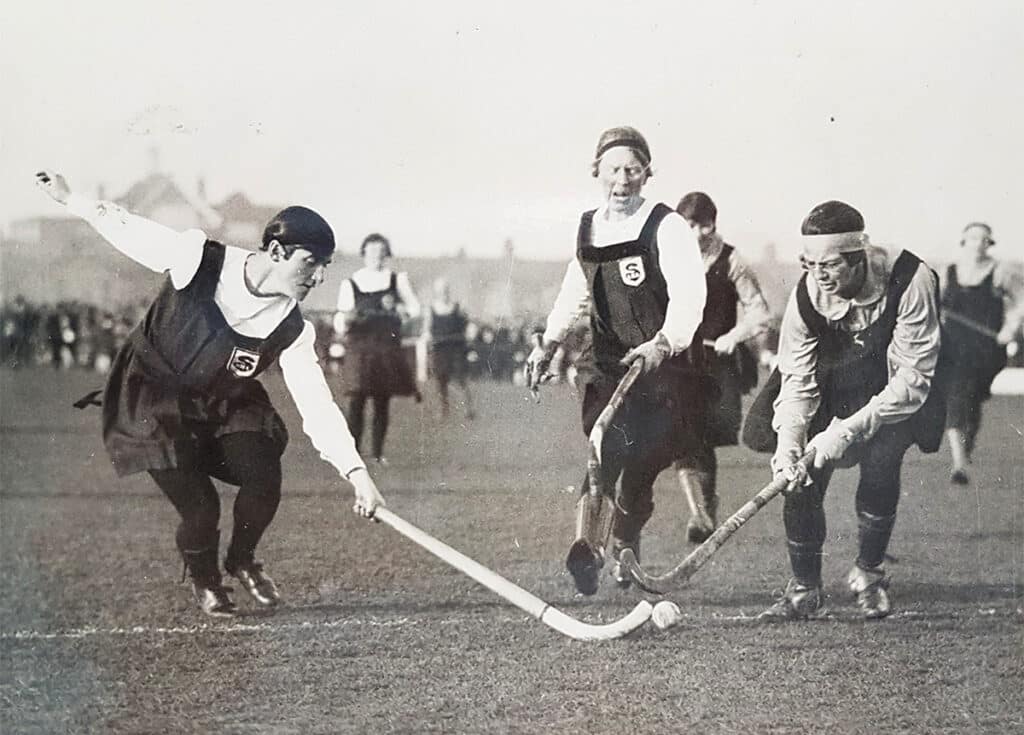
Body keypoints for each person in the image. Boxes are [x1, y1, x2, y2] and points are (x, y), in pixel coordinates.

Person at [34, 170, 385, 619]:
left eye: (324, 267)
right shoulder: (199, 259)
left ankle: (242, 558)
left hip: (223, 403)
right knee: (200, 511)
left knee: (263, 473)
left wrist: (357, 473)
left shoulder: (294, 327)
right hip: (153, 399)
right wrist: (72, 198)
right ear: (276, 252)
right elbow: (131, 230)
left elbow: (316, 403)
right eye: (309, 264)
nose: (318, 278)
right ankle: (206, 583)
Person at [526, 126, 709, 595]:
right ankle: (588, 549)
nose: (622, 180)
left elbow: (690, 295)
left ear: (647, 173)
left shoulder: (666, 225)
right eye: (613, 170)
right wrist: (549, 342)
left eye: (632, 169)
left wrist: (664, 343)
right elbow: (575, 290)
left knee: (642, 472)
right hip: (608, 363)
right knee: (604, 451)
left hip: (664, 367)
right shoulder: (588, 226)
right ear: (597, 173)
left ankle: (625, 538)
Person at [756, 200, 943, 621]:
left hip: (893, 385)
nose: (819, 276)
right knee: (799, 477)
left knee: (881, 461)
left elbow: (912, 381)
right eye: (809, 264)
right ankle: (805, 588)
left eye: (831, 266)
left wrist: (845, 431)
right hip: (831, 382)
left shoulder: (910, 278)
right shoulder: (807, 294)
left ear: (859, 259)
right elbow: (798, 381)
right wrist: (788, 444)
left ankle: (869, 575)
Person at [671, 192, 773, 543]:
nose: (698, 233)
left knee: (705, 440)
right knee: (682, 434)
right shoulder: (667, 259)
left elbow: (760, 312)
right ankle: (698, 513)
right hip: (678, 362)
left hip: (718, 365)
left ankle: (707, 505)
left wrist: (736, 333)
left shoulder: (733, 261)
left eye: (704, 225)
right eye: (689, 225)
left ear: (714, 225)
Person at [941, 223, 1023, 484]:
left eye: (984, 239)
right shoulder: (948, 271)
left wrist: (1010, 329)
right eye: (973, 238)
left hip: (986, 350)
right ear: (964, 241)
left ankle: (966, 449)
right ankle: (958, 462)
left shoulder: (1001, 271)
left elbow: (1020, 303)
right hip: (953, 347)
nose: (978, 243)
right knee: (955, 397)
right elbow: (935, 303)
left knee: (972, 400)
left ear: (990, 244)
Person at [333, 233, 421, 464]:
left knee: (382, 401)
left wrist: (403, 312)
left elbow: (415, 309)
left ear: (387, 254)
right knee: (356, 400)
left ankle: (377, 453)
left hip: (385, 347)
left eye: (381, 252)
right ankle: (353, 454)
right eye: (372, 252)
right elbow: (341, 319)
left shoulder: (396, 280)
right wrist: (348, 319)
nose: (377, 256)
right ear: (364, 253)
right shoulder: (351, 282)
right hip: (359, 348)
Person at [421, 277, 475, 419]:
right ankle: (443, 410)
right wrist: (428, 339)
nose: (443, 293)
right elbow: (427, 329)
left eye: (445, 290)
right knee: (440, 380)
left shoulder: (457, 307)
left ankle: (468, 409)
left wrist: (469, 335)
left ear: (448, 291)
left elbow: (468, 324)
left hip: (456, 348)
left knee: (460, 379)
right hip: (439, 348)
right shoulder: (431, 309)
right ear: (436, 292)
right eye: (440, 290)